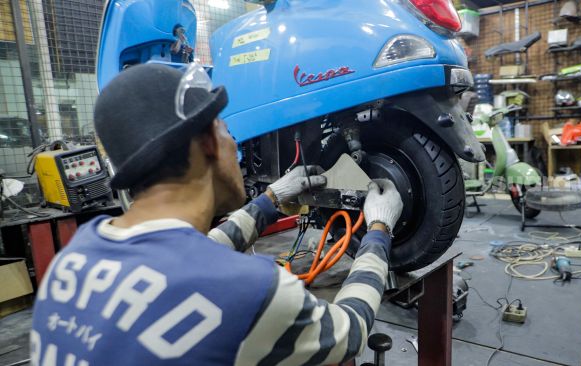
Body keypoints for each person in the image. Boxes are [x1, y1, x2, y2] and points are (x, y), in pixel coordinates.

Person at [30, 63, 404, 366]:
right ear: (208, 142)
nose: (233, 146)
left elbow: (197, 252)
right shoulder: (251, 291)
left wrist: (271, 200)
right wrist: (378, 229)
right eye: (227, 133)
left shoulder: (76, 256)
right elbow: (351, 331)